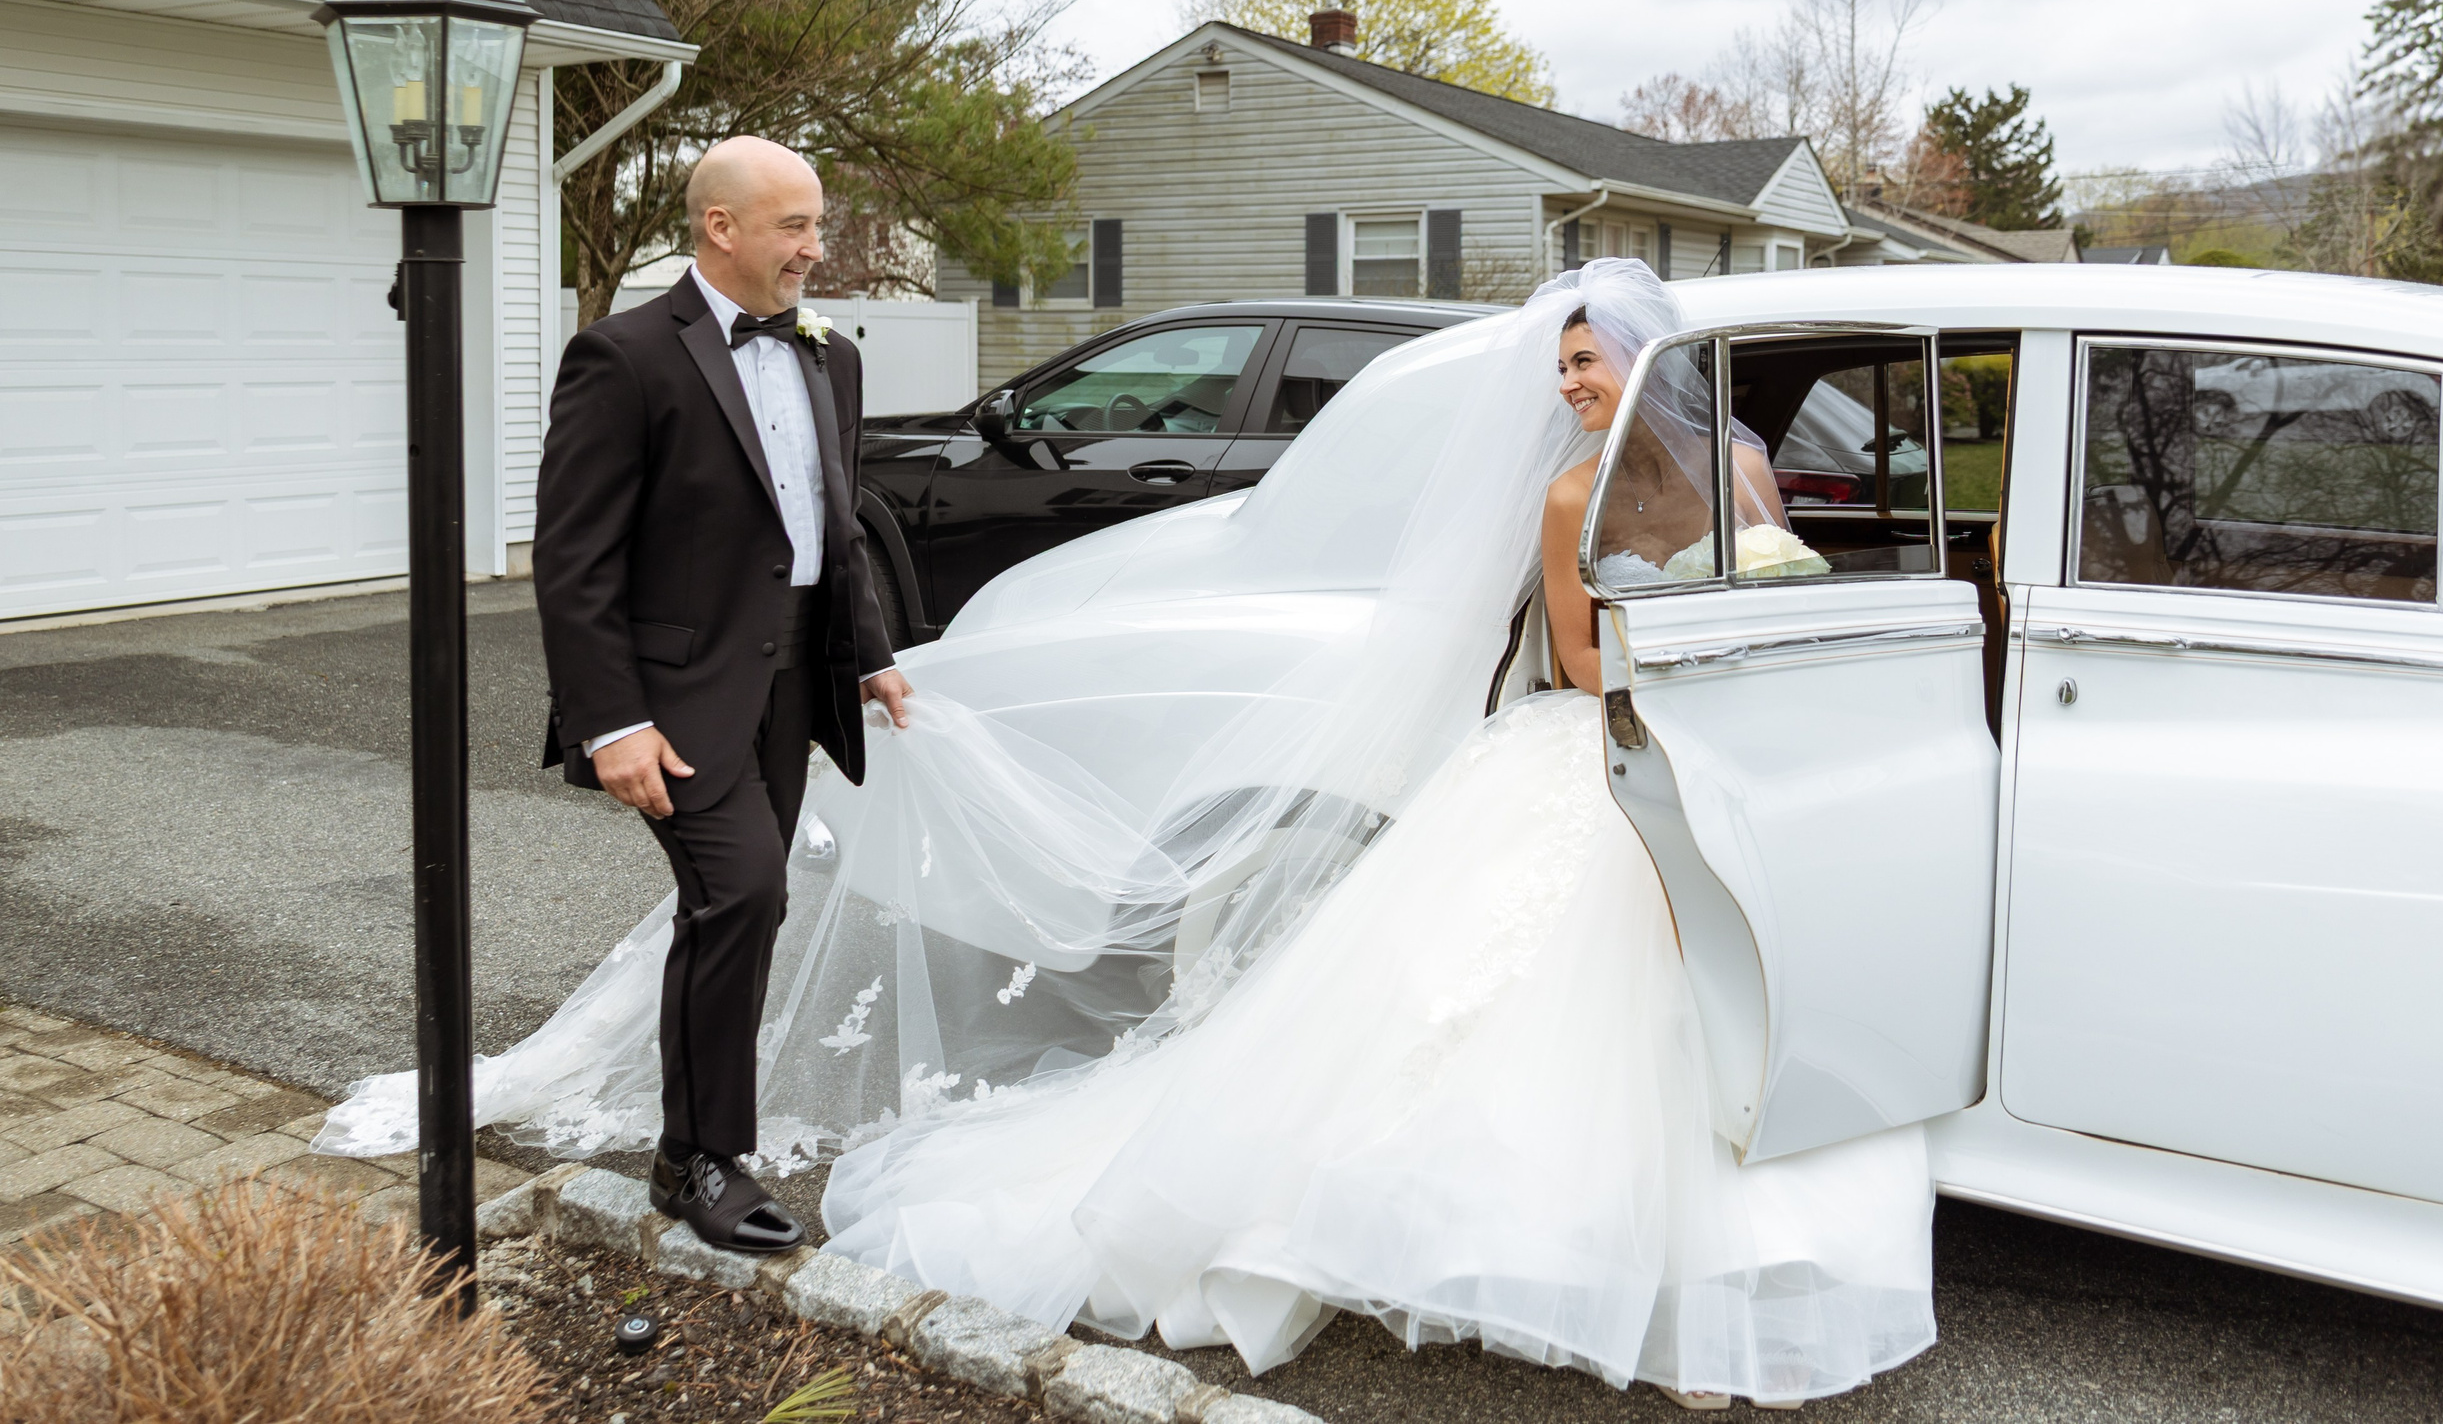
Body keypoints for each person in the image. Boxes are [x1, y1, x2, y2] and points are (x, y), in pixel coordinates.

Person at [313, 260, 1934, 1405]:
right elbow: (1584, 658)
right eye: (1566, 362)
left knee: (1706, 1010)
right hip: (1598, 746)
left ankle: (1689, 1258)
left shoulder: (1731, 462)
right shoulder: (1572, 498)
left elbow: (1771, 591)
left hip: (1715, 751)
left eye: (1594, 359)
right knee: (1533, 1001)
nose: (1576, 384)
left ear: (1651, 359)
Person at [531, 136, 913, 1252]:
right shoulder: (624, 355)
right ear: (722, 228)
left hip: (796, 681)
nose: (814, 246)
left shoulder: (829, 356)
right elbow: (575, 559)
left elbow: (829, 529)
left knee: (742, 904)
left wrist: (869, 655)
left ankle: (695, 1144)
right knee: (742, 892)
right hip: (674, 694)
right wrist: (612, 721)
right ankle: (696, 1159)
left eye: (815, 222)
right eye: (794, 225)